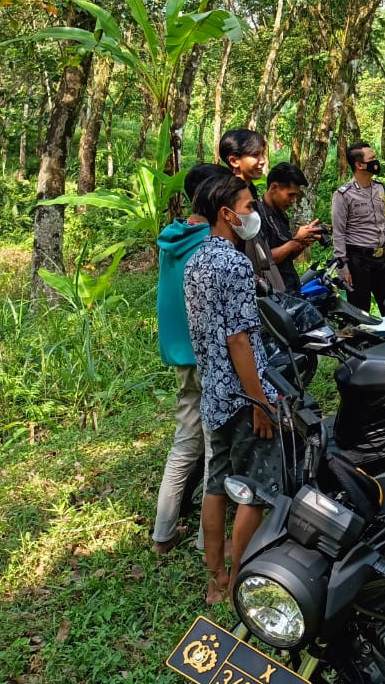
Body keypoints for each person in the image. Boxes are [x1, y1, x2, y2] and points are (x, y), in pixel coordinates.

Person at [182, 174, 283, 605]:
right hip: (242, 394)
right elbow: (239, 339)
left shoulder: (196, 260)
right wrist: (260, 402)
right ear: (226, 214)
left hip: (213, 394)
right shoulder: (235, 264)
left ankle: (214, 579)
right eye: (246, 207)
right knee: (256, 488)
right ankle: (240, 577)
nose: (252, 214)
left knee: (216, 484)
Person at [150, 162, 230, 555]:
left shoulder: (171, 237)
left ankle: (162, 535)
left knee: (185, 443)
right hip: (210, 354)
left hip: (182, 356)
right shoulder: (209, 244)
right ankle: (207, 542)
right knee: (216, 447)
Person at [331, 142, 385, 314]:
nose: (376, 162)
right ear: (359, 165)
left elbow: (384, 223)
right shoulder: (343, 195)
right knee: (360, 313)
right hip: (358, 261)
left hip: (382, 258)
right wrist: (343, 267)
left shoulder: (379, 188)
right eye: (372, 158)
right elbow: (338, 233)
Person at [219, 128, 285, 294]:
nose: (262, 161)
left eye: (263, 154)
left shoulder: (251, 190)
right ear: (234, 161)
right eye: (256, 155)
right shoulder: (227, 195)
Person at [257, 161, 327, 293]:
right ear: (273, 188)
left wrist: (303, 243)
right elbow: (263, 260)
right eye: (290, 194)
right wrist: (295, 241)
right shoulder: (257, 215)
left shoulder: (281, 214)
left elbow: (285, 256)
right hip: (274, 295)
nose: (293, 201)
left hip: (291, 287)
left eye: (295, 195)